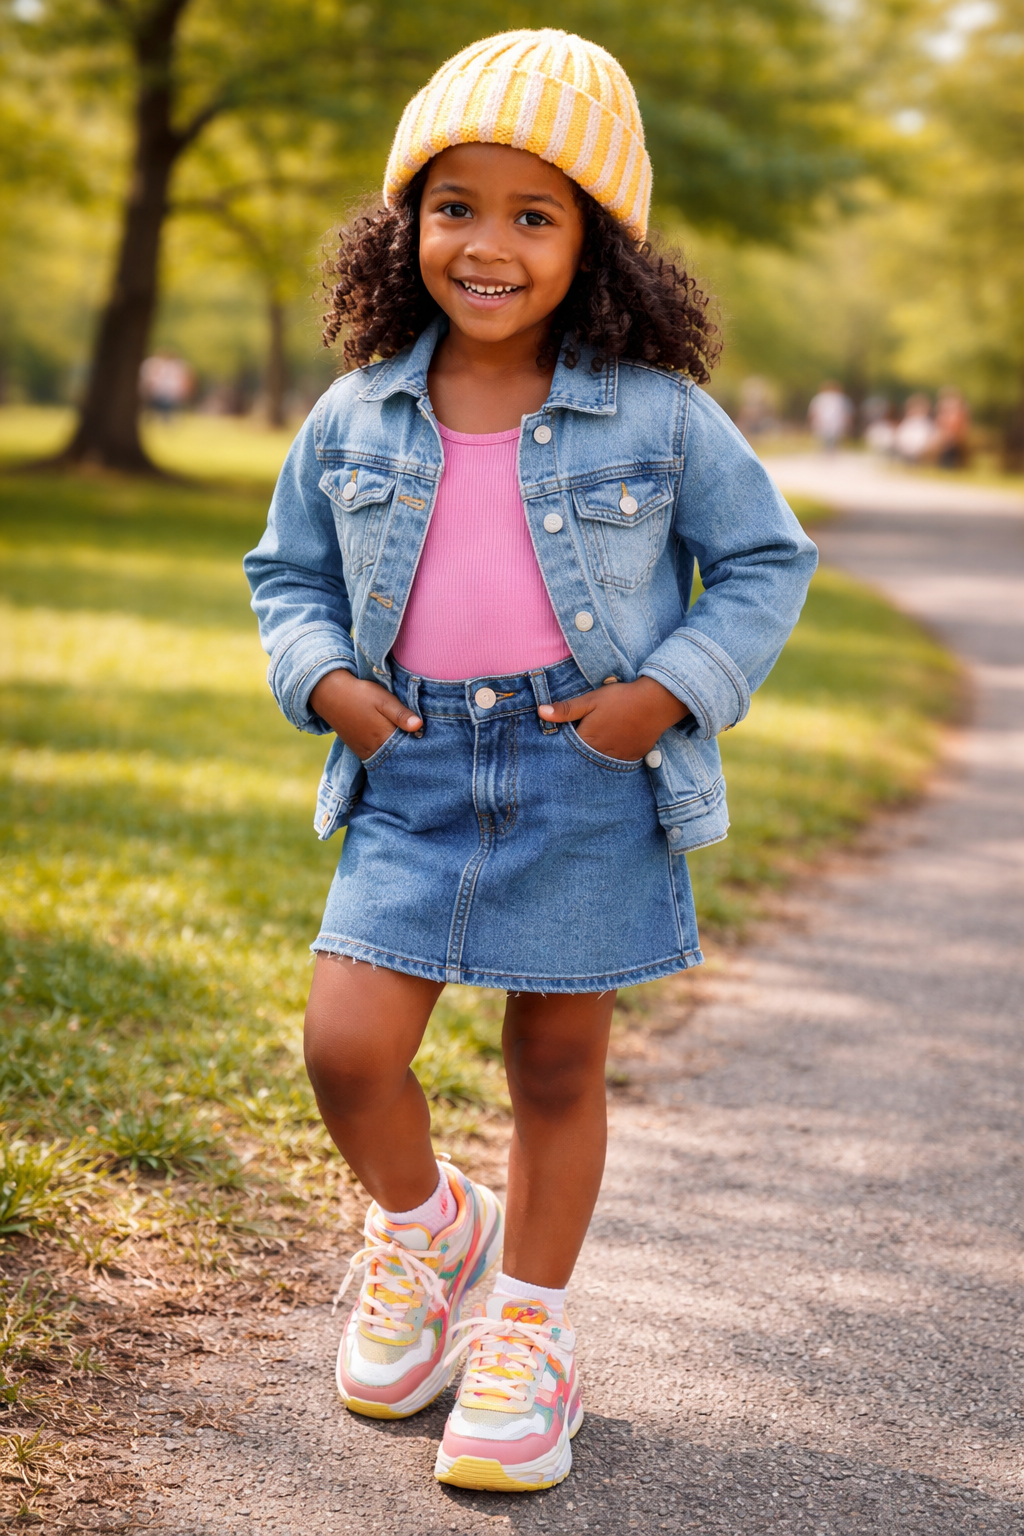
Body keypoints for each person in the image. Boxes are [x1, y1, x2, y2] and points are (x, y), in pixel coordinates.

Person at [244, 28, 817, 1496]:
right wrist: (325, 683)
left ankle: (528, 1332)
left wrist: (670, 692)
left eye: (532, 214)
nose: (486, 244)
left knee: (556, 1064)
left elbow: (761, 563)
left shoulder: (661, 416)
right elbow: (287, 574)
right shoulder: (356, 410)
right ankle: (432, 1229)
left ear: (596, 244)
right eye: (454, 206)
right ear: (404, 223)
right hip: (416, 767)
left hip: (585, 770)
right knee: (347, 1046)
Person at [807, 381, 853, 451]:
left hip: (836, 421)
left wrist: (847, 420)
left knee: (834, 437)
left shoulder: (841, 398)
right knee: (824, 437)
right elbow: (814, 411)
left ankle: (832, 450)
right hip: (824, 421)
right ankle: (826, 450)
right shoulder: (820, 398)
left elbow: (847, 412)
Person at [894, 394, 938, 463]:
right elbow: (900, 437)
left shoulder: (926, 423)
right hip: (905, 452)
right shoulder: (907, 422)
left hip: (920, 454)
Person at [935, 386, 971, 469]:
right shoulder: (943, 409)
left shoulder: (961, 409)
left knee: (951, 443)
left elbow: (962, 424)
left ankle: (950, 464)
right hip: (946, 434)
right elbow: (940, 422)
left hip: (956, 434)